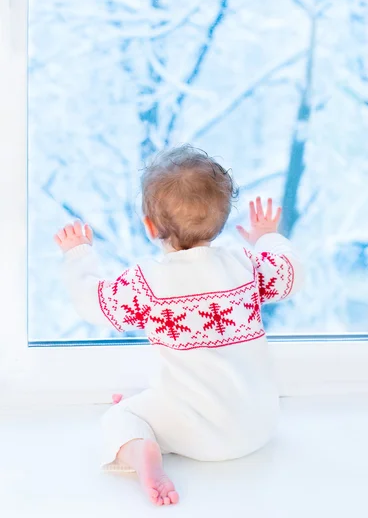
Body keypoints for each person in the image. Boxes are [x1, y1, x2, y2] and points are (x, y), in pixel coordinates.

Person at [54, 145, 304, 507]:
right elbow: (291, 274)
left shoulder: (148, 282)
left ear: (150, 226)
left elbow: (93, 303)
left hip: (196, 433)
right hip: (259, 425)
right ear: (220, 221)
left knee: (119, 416)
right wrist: (266, 236)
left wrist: (78, 254)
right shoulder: (245, 265)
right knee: (166, 395)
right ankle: (154, 409)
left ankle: (143, 451)